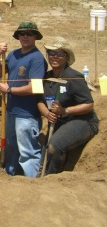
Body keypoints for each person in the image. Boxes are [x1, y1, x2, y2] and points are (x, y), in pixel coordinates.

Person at [37, 37, 99, 175]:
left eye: (60, 54)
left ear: (66, 57)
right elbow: (39, 101)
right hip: (59, 121)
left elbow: (89, 105)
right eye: (52, 53)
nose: (55, 57)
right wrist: (47, 113)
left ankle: (52, 178)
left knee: (55, 145)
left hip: (82, 121)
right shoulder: (46, 77)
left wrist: (64, 111)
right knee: (45, 151)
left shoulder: (74, 77)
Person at [0, 21, 47, 178]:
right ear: (18, 36)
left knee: (28, 151)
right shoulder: (13, 55)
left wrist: (10, 90)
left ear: (35, 37)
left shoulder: (37, 59)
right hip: (11, 111)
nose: (25, 36)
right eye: (22, 34)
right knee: (12, 148)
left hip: (27, 113)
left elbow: (35, 88)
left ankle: (31, 182)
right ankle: (11, 177)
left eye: (29, 34)